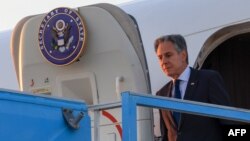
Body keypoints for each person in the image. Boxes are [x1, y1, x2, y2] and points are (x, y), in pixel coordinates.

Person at [154, 34, 231, 141]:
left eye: (168, 55)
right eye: (160, 57)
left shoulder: (208, 79)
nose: (163, 62)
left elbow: (227, 121)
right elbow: (166, 135)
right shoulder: (161, 94)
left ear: (183, 55)